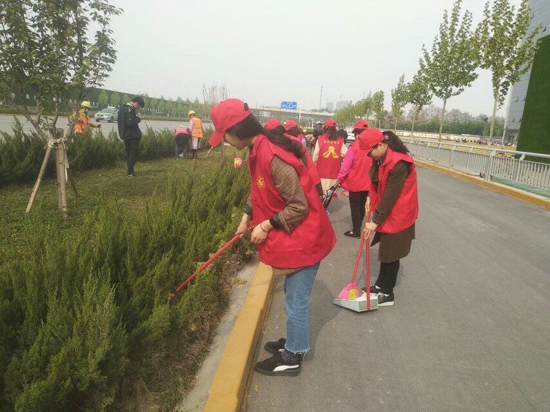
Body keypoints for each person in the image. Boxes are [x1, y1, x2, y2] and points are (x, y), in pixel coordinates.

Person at [210, 99, 336, 376]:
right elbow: (260, 191)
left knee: (296, 301)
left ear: (236, 130)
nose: (226, 142)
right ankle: (295, 340)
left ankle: (292, 356)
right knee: (292, 295)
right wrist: (246, 216)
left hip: (307, 238)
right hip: (299, 238)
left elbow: (299, 205)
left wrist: (265, 225)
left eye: (226, 136)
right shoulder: (258, 150)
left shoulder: (271, 155)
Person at [358, 129, 419, 306]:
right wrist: (370, 197)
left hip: (399, 213)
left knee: (392, 253)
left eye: (370, 152)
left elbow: (390, 195)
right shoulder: (381, 159)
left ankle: (387, 292)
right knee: (386, 250)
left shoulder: (400, 163)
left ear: (380, 145)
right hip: (387, 211)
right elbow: (376, 182)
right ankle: (380, 285)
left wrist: (375, 221)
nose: (369, 156)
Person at [265, 119, 322, 197]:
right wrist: (319, 193)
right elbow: (309, 167)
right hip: (298, 185)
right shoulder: (296, 141)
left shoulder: (267, 146)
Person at [337, 120, 371, 238]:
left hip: (355, 182)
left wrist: (339, 179)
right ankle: (358, 227)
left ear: (357, 134)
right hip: (368, 183)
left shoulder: (354, 146)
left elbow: (345, 167)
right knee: (361, 206)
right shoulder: (373, 146)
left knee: (355, 207)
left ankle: (356, 230)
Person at [313, 119, 347, 192]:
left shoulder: (320, 139)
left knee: (322, 193)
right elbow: (345, 153)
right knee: (329, 193)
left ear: (325, 128)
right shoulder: (340, 140)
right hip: (334, 172)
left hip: (321, 171)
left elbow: (315, 155)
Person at [117, 96, 145, 177]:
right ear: (136, 103)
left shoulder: (122, 108)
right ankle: (130, 172)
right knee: (134, 153)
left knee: (129, 153)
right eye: (139, 106)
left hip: (125, 134)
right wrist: (138, 119)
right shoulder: (130, 109)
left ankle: (130, 170)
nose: (138, 108)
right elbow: (130, 122)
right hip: (133, 135)